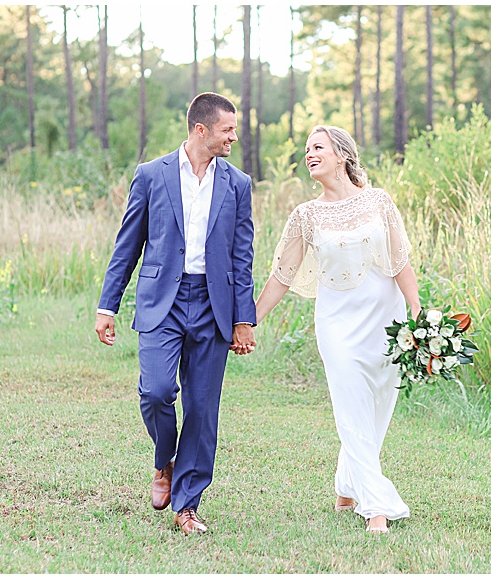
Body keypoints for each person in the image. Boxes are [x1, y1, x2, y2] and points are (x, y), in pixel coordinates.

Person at [94, 92, 257, 536]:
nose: (233, 137)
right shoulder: (151, 175)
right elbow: (127, 245)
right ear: (200, 129)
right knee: (157, 391)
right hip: (161, 301)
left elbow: (242, 258)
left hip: (213, 305)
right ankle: (163, 459)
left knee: (203, 410)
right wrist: (107, 305)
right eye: (227, 129)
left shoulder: (238, 184)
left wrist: (245, 318)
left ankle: (187, 506)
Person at [255, 125, 421, 534]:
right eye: (306, 149)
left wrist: (419, 316)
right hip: (337, 322)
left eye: (317, 147)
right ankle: (376, 507)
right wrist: (248, 321)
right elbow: (282, 275)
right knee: (350, 404)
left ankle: (346, 487)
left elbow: (399, 261)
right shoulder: (305, 215)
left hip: (386, 317)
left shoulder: (379, 202)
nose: (309, 154)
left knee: (377, 405)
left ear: (342, 155)